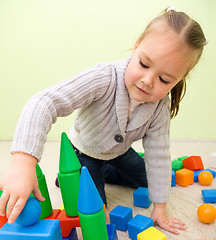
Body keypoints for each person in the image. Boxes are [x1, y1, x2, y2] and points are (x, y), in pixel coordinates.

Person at [0, 7, 207, 235]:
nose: (148, 81)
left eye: (164, 79)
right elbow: (43, 102)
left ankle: (103, 170)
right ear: (136, 46)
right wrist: (23, 163)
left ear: (178, 80)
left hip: (117, 153)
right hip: (83, 151)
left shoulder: (160, 106)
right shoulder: (103, 78)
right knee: (97, 212)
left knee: (160, 180)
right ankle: (73, 177)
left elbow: (158, 154)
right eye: (144, 64)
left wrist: (160, 208)